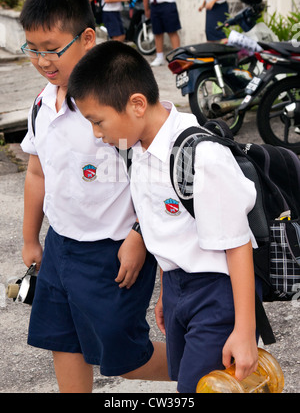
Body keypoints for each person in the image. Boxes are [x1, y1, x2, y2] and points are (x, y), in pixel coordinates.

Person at [67, 40, 262, 394]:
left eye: (98, 121)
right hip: (177, 289)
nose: (97, 134)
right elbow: (164, 224)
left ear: (136, 104)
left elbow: (238, 245)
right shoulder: (136, 149)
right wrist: (166, 293)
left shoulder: (200, 156)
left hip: (217, 293)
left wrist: (245, 332)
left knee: (196, 388)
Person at [19, 0, 169, 393]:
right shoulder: (41, 105)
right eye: (32, 49)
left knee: (126, 358)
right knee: (63, 343)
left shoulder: (112, 109)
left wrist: (140, 237)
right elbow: (36, 174)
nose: (42, 60)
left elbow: (156, 177)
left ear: (87, 38)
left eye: (52, 48)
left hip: (113, 253)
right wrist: (32, 238)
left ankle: (210, 362)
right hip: (60, 247)